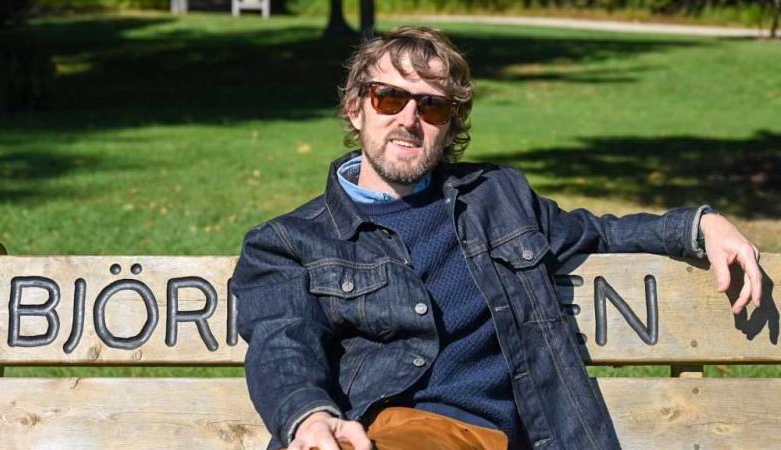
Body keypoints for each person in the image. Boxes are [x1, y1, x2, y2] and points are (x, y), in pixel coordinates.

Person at [231, 26, 762, 450]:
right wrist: (309, 417)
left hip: (500, 433)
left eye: (432, 106)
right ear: (356, 108)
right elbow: (283, 341)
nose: (410, 120)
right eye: (389, 98)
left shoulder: (496, 197)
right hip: (378, 432)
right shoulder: (289, 242)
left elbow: (599, 232)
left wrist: (700, 225)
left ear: (451, 124)